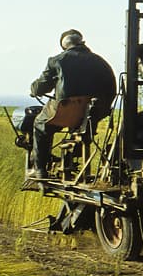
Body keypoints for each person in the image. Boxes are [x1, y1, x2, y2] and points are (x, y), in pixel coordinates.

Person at [26, 29, 117, 181]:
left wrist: (33, 89)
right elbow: (112, 88)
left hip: (66, 112)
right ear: (82, 43)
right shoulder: (100, 61)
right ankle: (71, 155)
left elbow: (40, 87)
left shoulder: (57, 61)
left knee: (40, 124)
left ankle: (39, 168)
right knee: (82, 127)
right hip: (94, 112)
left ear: (64, 46)